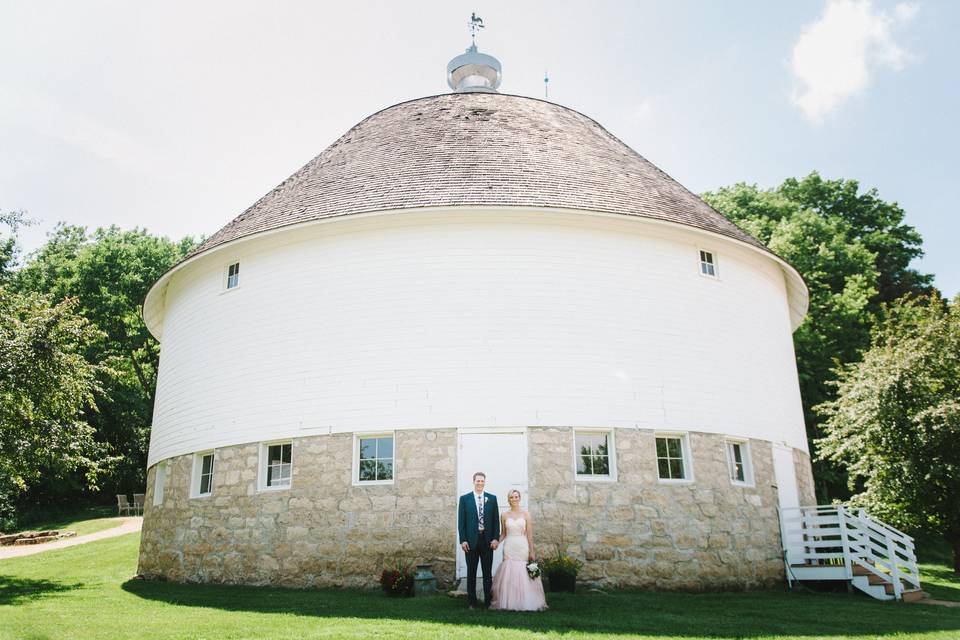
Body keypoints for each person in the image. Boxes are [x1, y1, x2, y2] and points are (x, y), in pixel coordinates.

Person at [490, 489, 548, 611]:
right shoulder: (504, 515)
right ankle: (509, 602)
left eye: (516, 497)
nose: (514, 499)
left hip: (522, 545)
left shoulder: (526, 515)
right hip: (509, 545)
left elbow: (530, 535)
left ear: (519, 498)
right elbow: (503, 533)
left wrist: (532, 551)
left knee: (523, 572)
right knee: (509, 572)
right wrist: (497, 542)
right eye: (512, 497)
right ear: (509, 500)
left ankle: (526, 601)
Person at [457, 471, 500, 609]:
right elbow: (461, 522)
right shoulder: (465, 499)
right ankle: (472, 602)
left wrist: (495, 538)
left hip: (487, 541)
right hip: (471, 541)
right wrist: (463, 540)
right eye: (478, 481)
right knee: (471, 572)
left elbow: (495, 521)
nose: (480, 483)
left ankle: (488, 601)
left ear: (484, 482)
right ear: (474, 481)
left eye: (482, 481)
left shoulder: (492, 499)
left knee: (487, 573)